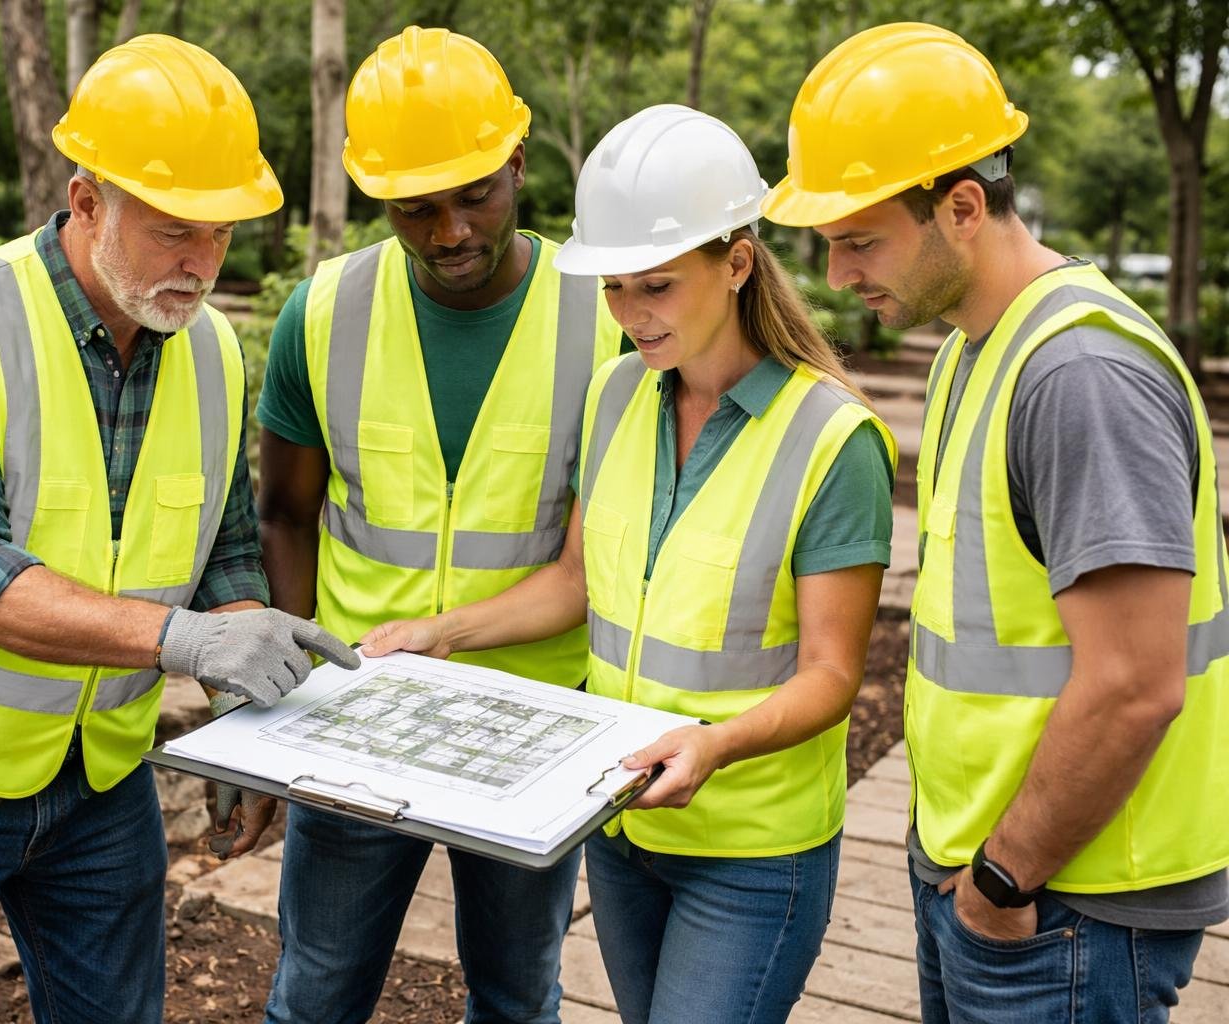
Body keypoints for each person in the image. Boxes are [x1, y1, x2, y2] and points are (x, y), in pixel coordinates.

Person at [0, 35, 356, 1024]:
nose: (201, 262)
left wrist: (246, 725)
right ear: (87, 201)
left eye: (220, 234)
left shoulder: (214, 351)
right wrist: (190, 641)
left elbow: (221, 555)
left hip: (98, 781)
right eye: (174, 228)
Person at [362, 104, 897, 1024]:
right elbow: (575, 582)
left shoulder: (832, 441)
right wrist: (437, 633)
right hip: (619, 825)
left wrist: (715, 744)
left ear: (736, 262)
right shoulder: (617, 395)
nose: (630, 315)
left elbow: (833, 675)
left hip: (752, 852)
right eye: (613, 289)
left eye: (655, 286)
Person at [762, 21, 1229, 1023]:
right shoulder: (977, 348)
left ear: (963, 206)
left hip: (1067, 900)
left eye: (858, 240)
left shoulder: (1079, 376)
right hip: (999, 875)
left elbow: (1136, 683)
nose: (837, 277)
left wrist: (1005, 880)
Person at [254, 25, 624, 1024]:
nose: (451, 230)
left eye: (476, 196)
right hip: (352, 722)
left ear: (518, 163)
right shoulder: (323, 313)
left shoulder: (603, 319)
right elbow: (284, 515)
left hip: (530, 727)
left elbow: (600, 559)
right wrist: (287, 700)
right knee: (318, 990)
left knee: (516, 996)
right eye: (416, 208)